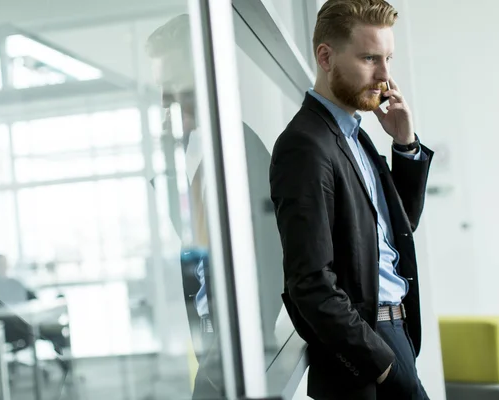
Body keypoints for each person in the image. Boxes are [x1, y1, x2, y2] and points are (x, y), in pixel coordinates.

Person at [269, 1, 433, 399]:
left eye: (388, 58)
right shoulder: (305, 145)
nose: (385, 76)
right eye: (369, 58)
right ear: (326, 57)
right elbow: (310, 282)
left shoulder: (354, 133)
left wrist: (404, 144)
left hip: (394, 333)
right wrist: (382, 364)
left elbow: (399, 229)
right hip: (366, 349)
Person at [146, 14, 280, 399]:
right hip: (212, 342)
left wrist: (230, 349)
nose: (164, 100)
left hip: (237, 351)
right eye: (160, 88)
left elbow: (268, 270)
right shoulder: (186, 153)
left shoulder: (240, 153)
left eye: (172, 85)